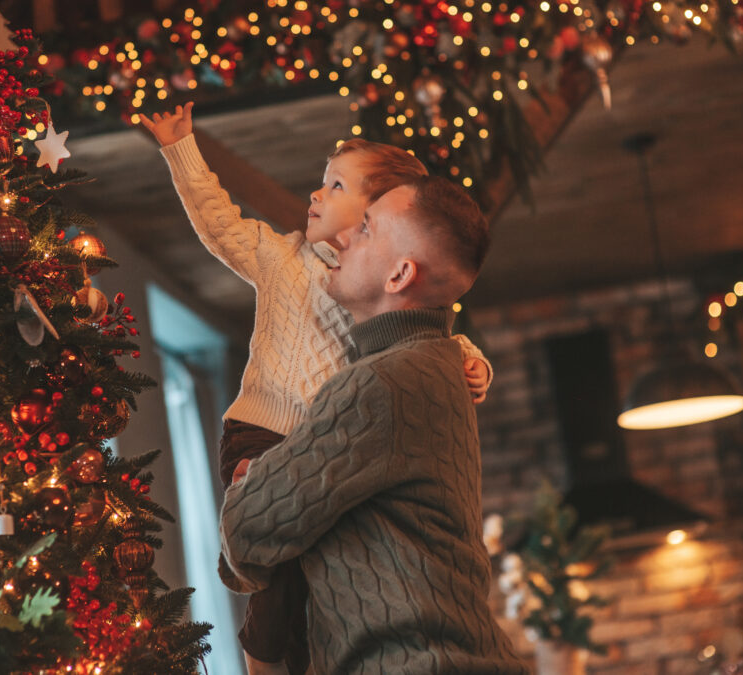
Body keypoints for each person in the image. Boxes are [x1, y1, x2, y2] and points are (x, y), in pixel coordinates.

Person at [141, 104, 495, 675]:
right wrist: (182, 149)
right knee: (280, 584)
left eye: (337, 186)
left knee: (307, 575)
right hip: (264, 428)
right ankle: (261, 658)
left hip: (321, 449)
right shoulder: (286, 259)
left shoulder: (392, 356)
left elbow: (433, 333)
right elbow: (219, 222)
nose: (316, 192)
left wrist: (472, 360)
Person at [220, 176, 530, 675]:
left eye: (365, 228)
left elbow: (248, 529)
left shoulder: (379, 384)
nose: (342, 237)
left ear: (400, 274)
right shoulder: (439, 366)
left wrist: (254, 480)